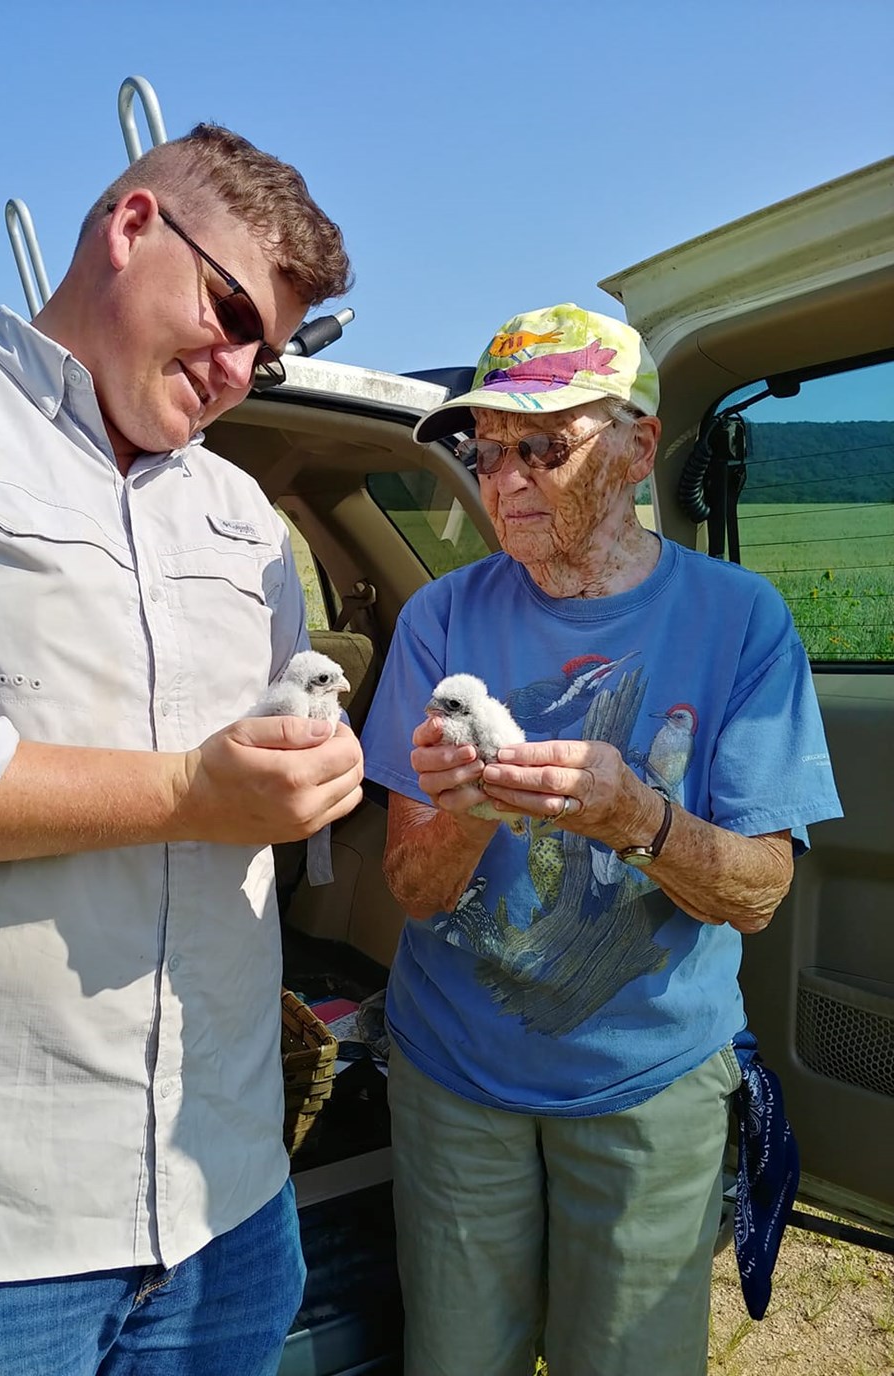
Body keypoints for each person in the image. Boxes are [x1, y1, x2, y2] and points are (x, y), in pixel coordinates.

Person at [0, 123, 363, 1375]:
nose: (246, 367)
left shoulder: (242, 510)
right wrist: (188, 791)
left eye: (273, 346)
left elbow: (271, 767)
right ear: (133, 225)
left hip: (232, 1197)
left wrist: (314, 771)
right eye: (234, 309)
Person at [360, 304, 843, 1376]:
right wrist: (467, 811)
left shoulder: (741, 620)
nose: (502, 478)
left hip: (648, 1084)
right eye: (484, 450)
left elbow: (759, 892)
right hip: (454, 1080)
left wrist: (640, 819)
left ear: (634, 446)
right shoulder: (441, 620)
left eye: (543, 444)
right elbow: (408, 882)